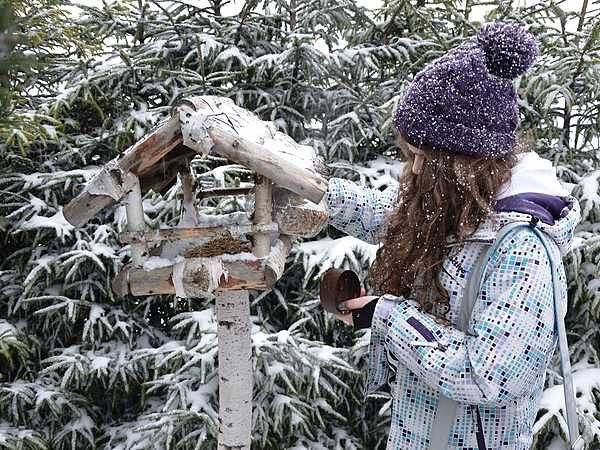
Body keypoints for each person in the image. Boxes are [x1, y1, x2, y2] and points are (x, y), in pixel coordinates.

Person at [323, 22, 581, 449]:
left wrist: (388, 316)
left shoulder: (522, 250)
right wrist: (319, 195)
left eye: (422, 157)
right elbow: (400, 221)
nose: (415, 170)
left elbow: (486, 375)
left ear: (461, 159)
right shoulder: (470, 208)